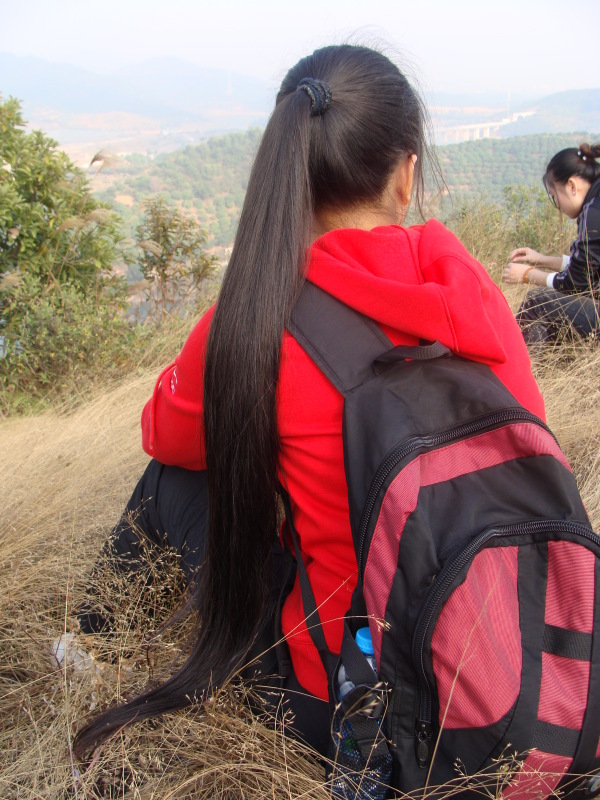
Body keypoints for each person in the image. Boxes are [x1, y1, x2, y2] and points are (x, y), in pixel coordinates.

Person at [73, 44, 545, 762]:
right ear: (408, 170)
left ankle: (81, 649)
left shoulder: (259, 312)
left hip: (348, 711)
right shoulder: (469, 291)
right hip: (508, 679)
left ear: (288, 172)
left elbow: (163, 436)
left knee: (169, 481)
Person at [502, 143, 600, 346]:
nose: (558, 207)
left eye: (555, 197)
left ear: (571, 186)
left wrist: (527, 274)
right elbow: (589, 269)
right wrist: (540, 259)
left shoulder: (594, 212)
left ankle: (514, 373)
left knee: (536, 302)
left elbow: (577, 284)